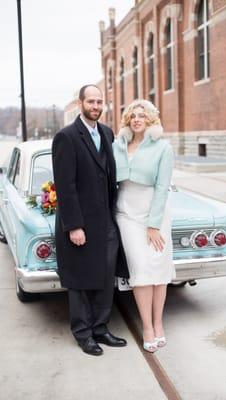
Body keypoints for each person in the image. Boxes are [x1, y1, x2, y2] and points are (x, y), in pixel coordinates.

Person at [52, 84, 129, 356]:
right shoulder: (67, 136)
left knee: (106, 277)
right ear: (81, 103)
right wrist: (74, 225)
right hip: (81, 223)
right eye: (91, 102)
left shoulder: (107, 133)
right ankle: (83, 333)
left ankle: (101, 327)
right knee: (82, 279)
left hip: (106, 220)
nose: (96, 106)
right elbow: (65, 185)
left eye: (99, 102)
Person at [113, 99, 174, 353]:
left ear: (150, 120)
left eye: (142, 115)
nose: (137, 119)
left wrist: (153, 225)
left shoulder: (163, 148)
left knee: (158, 270)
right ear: (128, 120)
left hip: (155, 214)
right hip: (126, 213)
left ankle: (159, 324)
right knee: (140, 270)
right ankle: (146, 327)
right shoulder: (118, 146)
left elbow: (162, 188)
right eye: (133, 116)